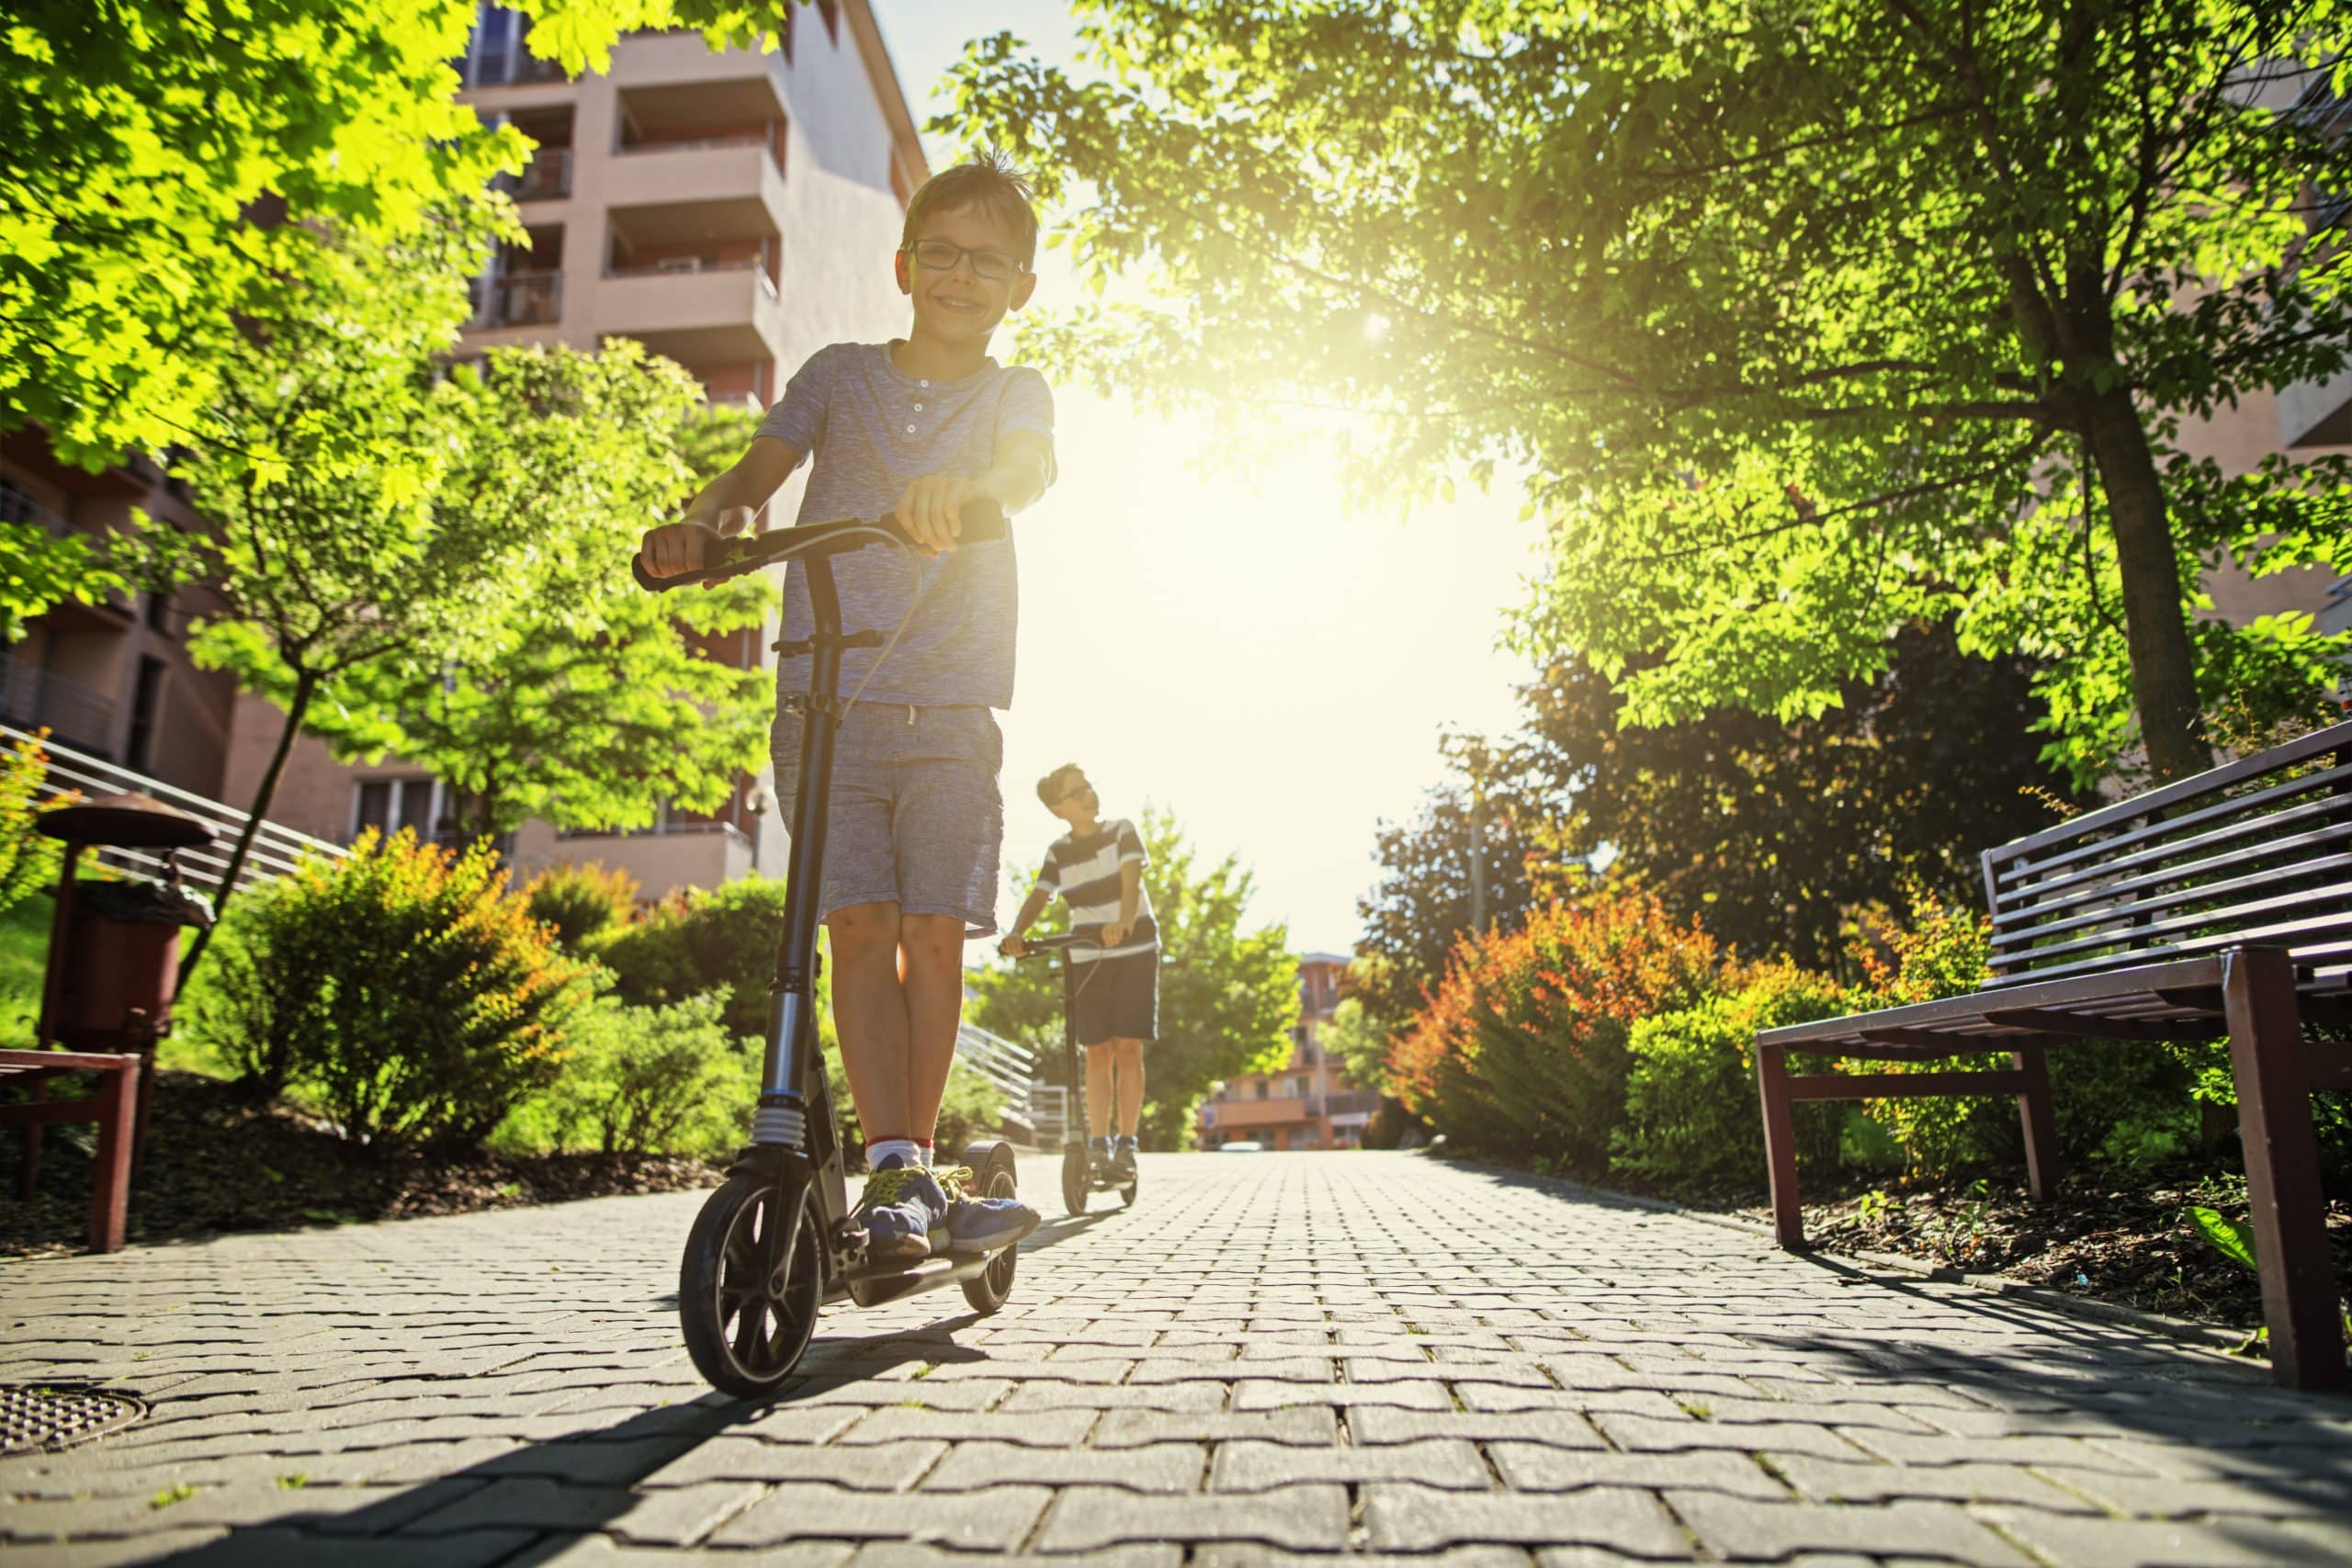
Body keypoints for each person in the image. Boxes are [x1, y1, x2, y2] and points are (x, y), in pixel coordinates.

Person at [638, 153, 1055, 1267]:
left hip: (951, 704)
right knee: (857, 934)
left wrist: (969, 494)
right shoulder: (837, 374)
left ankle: (909, 1167)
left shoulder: (1015, 391)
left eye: (990, 261)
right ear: (905, 264)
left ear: (1020, 286)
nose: (963, 275)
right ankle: (889, 1169)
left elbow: (1026, 472)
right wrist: (705, 518)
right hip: (825, 699)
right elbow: (753, 474)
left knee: (930, 933)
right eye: (945, 253)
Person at [1000, 765, 1157, 1177]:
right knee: (1096, 1050)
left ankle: (1126, 1144)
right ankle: (1098, 1142)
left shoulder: (1122, 830)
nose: (1088, 795)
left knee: (1128, 1046)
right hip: (1087, 955)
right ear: (1058, 808)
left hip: (1135, 948)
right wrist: (1018, 933)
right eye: (1076, 792)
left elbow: (1132, 879)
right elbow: (1040, 895)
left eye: (1088, 787)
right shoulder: (1059, 852)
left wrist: (1123, 922)